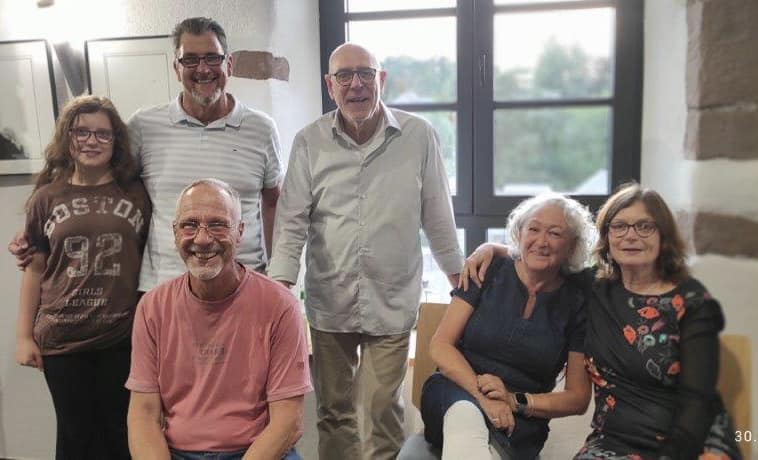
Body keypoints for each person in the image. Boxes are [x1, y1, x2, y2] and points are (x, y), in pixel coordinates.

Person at [267, 43, 463, 460]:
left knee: (381, 409)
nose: (355, 84)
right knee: (333, 412)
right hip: (330, 298)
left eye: (365, 73)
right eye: (344, 76)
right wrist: (280, 289)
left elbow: (438, 217)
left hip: (392, 297)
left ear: (381, 79)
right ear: (330, 85)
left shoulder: (418, 136)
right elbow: (291, 222)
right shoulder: (309, 141)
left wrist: (461, 285)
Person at [462, 183, 741, 459]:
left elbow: (697, 401)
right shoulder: (592, 287)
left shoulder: (692, 304)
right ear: (607, 237)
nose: (630, 236)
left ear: (664, 236)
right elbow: (543, 256)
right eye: (619, 226)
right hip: (614, 441)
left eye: (644, 226)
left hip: (690, 439)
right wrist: (491, 248)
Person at [9, 17, 282, 292]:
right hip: (164, 289)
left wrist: (277, 272)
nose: (202, 68)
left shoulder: (261, 129)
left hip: (244, 285)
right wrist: (38, 227)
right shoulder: (144, 126)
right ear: (176, 68)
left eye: (213, 58)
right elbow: (96, 179)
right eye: (190, 59)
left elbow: (273, 204)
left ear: (229, 64)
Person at [126, 179, 311, 460]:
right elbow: (143, 414)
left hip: (256, 451)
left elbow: (288, 421)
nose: (202, 238)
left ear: (240, 232)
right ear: (175, 233)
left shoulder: (280, 306)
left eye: (218, 225)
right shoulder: (153, 307)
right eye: (189, 225)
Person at [14, 95, 151, 459]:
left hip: (121, 337)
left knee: (121, 435)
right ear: (67, 138)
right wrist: (24, 336)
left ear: (116, 141)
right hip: (62, 338)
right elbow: (35, 268)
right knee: (75, 436)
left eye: (103, 134)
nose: (92, 141)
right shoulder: (46, 198)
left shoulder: (137, 194)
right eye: (82, 132)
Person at [413, 194, 593, 460]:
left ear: (572, 245)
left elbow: (577, 398)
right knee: (465, 417)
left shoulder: (578, 300)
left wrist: (514, 400)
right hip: (455, 390)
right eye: (533, 229)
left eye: (555, 233)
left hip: (520, 417)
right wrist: (483, 396)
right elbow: (441, 345)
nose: (542, 241)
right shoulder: (488, 269)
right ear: (519, 234)